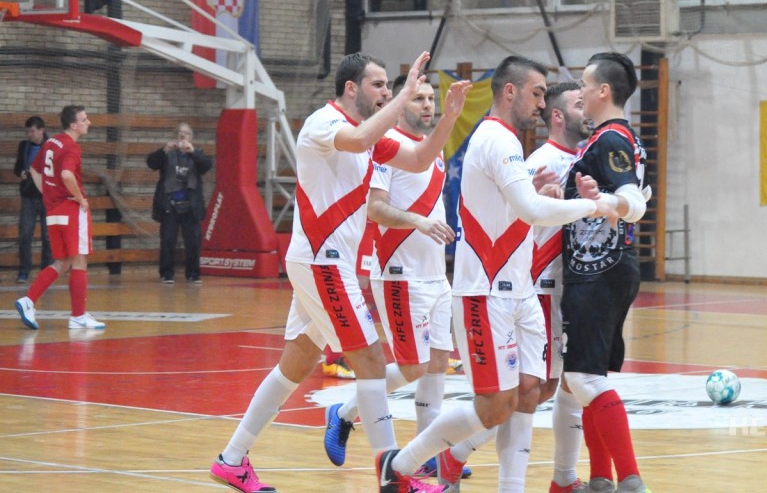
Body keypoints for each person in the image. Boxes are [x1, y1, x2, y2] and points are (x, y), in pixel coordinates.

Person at [209, 51, 470, 493]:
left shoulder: (371, 135)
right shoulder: (323, 123)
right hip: (322, 262)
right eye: (379, 85)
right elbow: (358, 139)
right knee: (369, 360)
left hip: (327, 264)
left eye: (390, 86)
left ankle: (231, 460)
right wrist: (404, 96)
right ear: (352, 89)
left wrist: (449, 118)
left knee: (295, 364)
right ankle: (395, 477)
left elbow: (422, 159)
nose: (388, 92)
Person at [375, 56, 618, 493]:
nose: (542, 105)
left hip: (518, 292)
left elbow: (517, 214)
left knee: (528, 393)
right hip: (485, 292)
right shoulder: (495, 138)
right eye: (537, 93)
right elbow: (532, 211)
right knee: (495, 404)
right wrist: (595, 205)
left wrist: (538, 196)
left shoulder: (508, 143)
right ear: (511, 92)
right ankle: (401, 463)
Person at [323, 73, 471, 480]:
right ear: (400, 104)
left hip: (435, 274)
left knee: (438, 362)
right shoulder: (385, 152)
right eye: (419, 98)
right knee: (412, 368)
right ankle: (345, 411)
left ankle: (429, 450)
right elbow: (376, 208)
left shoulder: (432, 152)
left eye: (431, 99)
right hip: (400, 275)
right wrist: (418, 223)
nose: (427, 105)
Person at [560, 52, 651, 493]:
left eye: (582, 83)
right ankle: (599, 480)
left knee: (580, 377)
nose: (578, 91)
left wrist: (610, 203)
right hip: (606, 267)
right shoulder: (614, 139)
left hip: (599, 270)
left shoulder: (611, 139)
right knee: (585, 377)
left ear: (603, 91)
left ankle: (631, 480)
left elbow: (632, 198)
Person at [525, 82, 593, 493]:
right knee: (536, 388)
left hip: (573, 286)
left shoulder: (585, 156)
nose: (585, 110)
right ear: (556, 115)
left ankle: (564, 480)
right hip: (542, 284)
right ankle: (454, 453)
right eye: (577, 104)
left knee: (569, 380)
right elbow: (517, 222)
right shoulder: (540, 161)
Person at [14, 105, 105, 331]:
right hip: (70, 209)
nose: (89, 122)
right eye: (85, 119)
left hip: (53, 211)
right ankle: (78, 316)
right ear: (73, 125)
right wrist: (79, 198)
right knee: (79, 260)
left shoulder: (51, 142)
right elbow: (66, 175)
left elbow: (35, 171)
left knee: (62, 262)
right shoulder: (71, 147)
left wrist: (47, 195)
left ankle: (28, 301)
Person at [146, 123, 212, 284]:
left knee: (193, 242)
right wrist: (164, 150)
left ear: (191, 137)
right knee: (168, 240)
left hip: (190, 206)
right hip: (170, 204)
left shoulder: (197, 154)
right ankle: (167, 273)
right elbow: (151, 163)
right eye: (180, 133)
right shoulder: (168, 154)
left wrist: (193, 152)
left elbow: (207, 165)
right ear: (175, 136)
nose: (183, 136)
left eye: (186, 133)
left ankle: (193, 273)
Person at [14, 115, 51, 284]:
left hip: (47, 197)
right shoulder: (24, 146)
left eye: (32, 131)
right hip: (28, 196)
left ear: (41, 130)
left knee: (47, 236)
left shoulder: (51, 146)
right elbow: (17, 167)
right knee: (25, 234)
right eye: (27, 131)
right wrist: (21, 172)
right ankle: (24, 270)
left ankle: (46, 271)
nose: (29, 134)